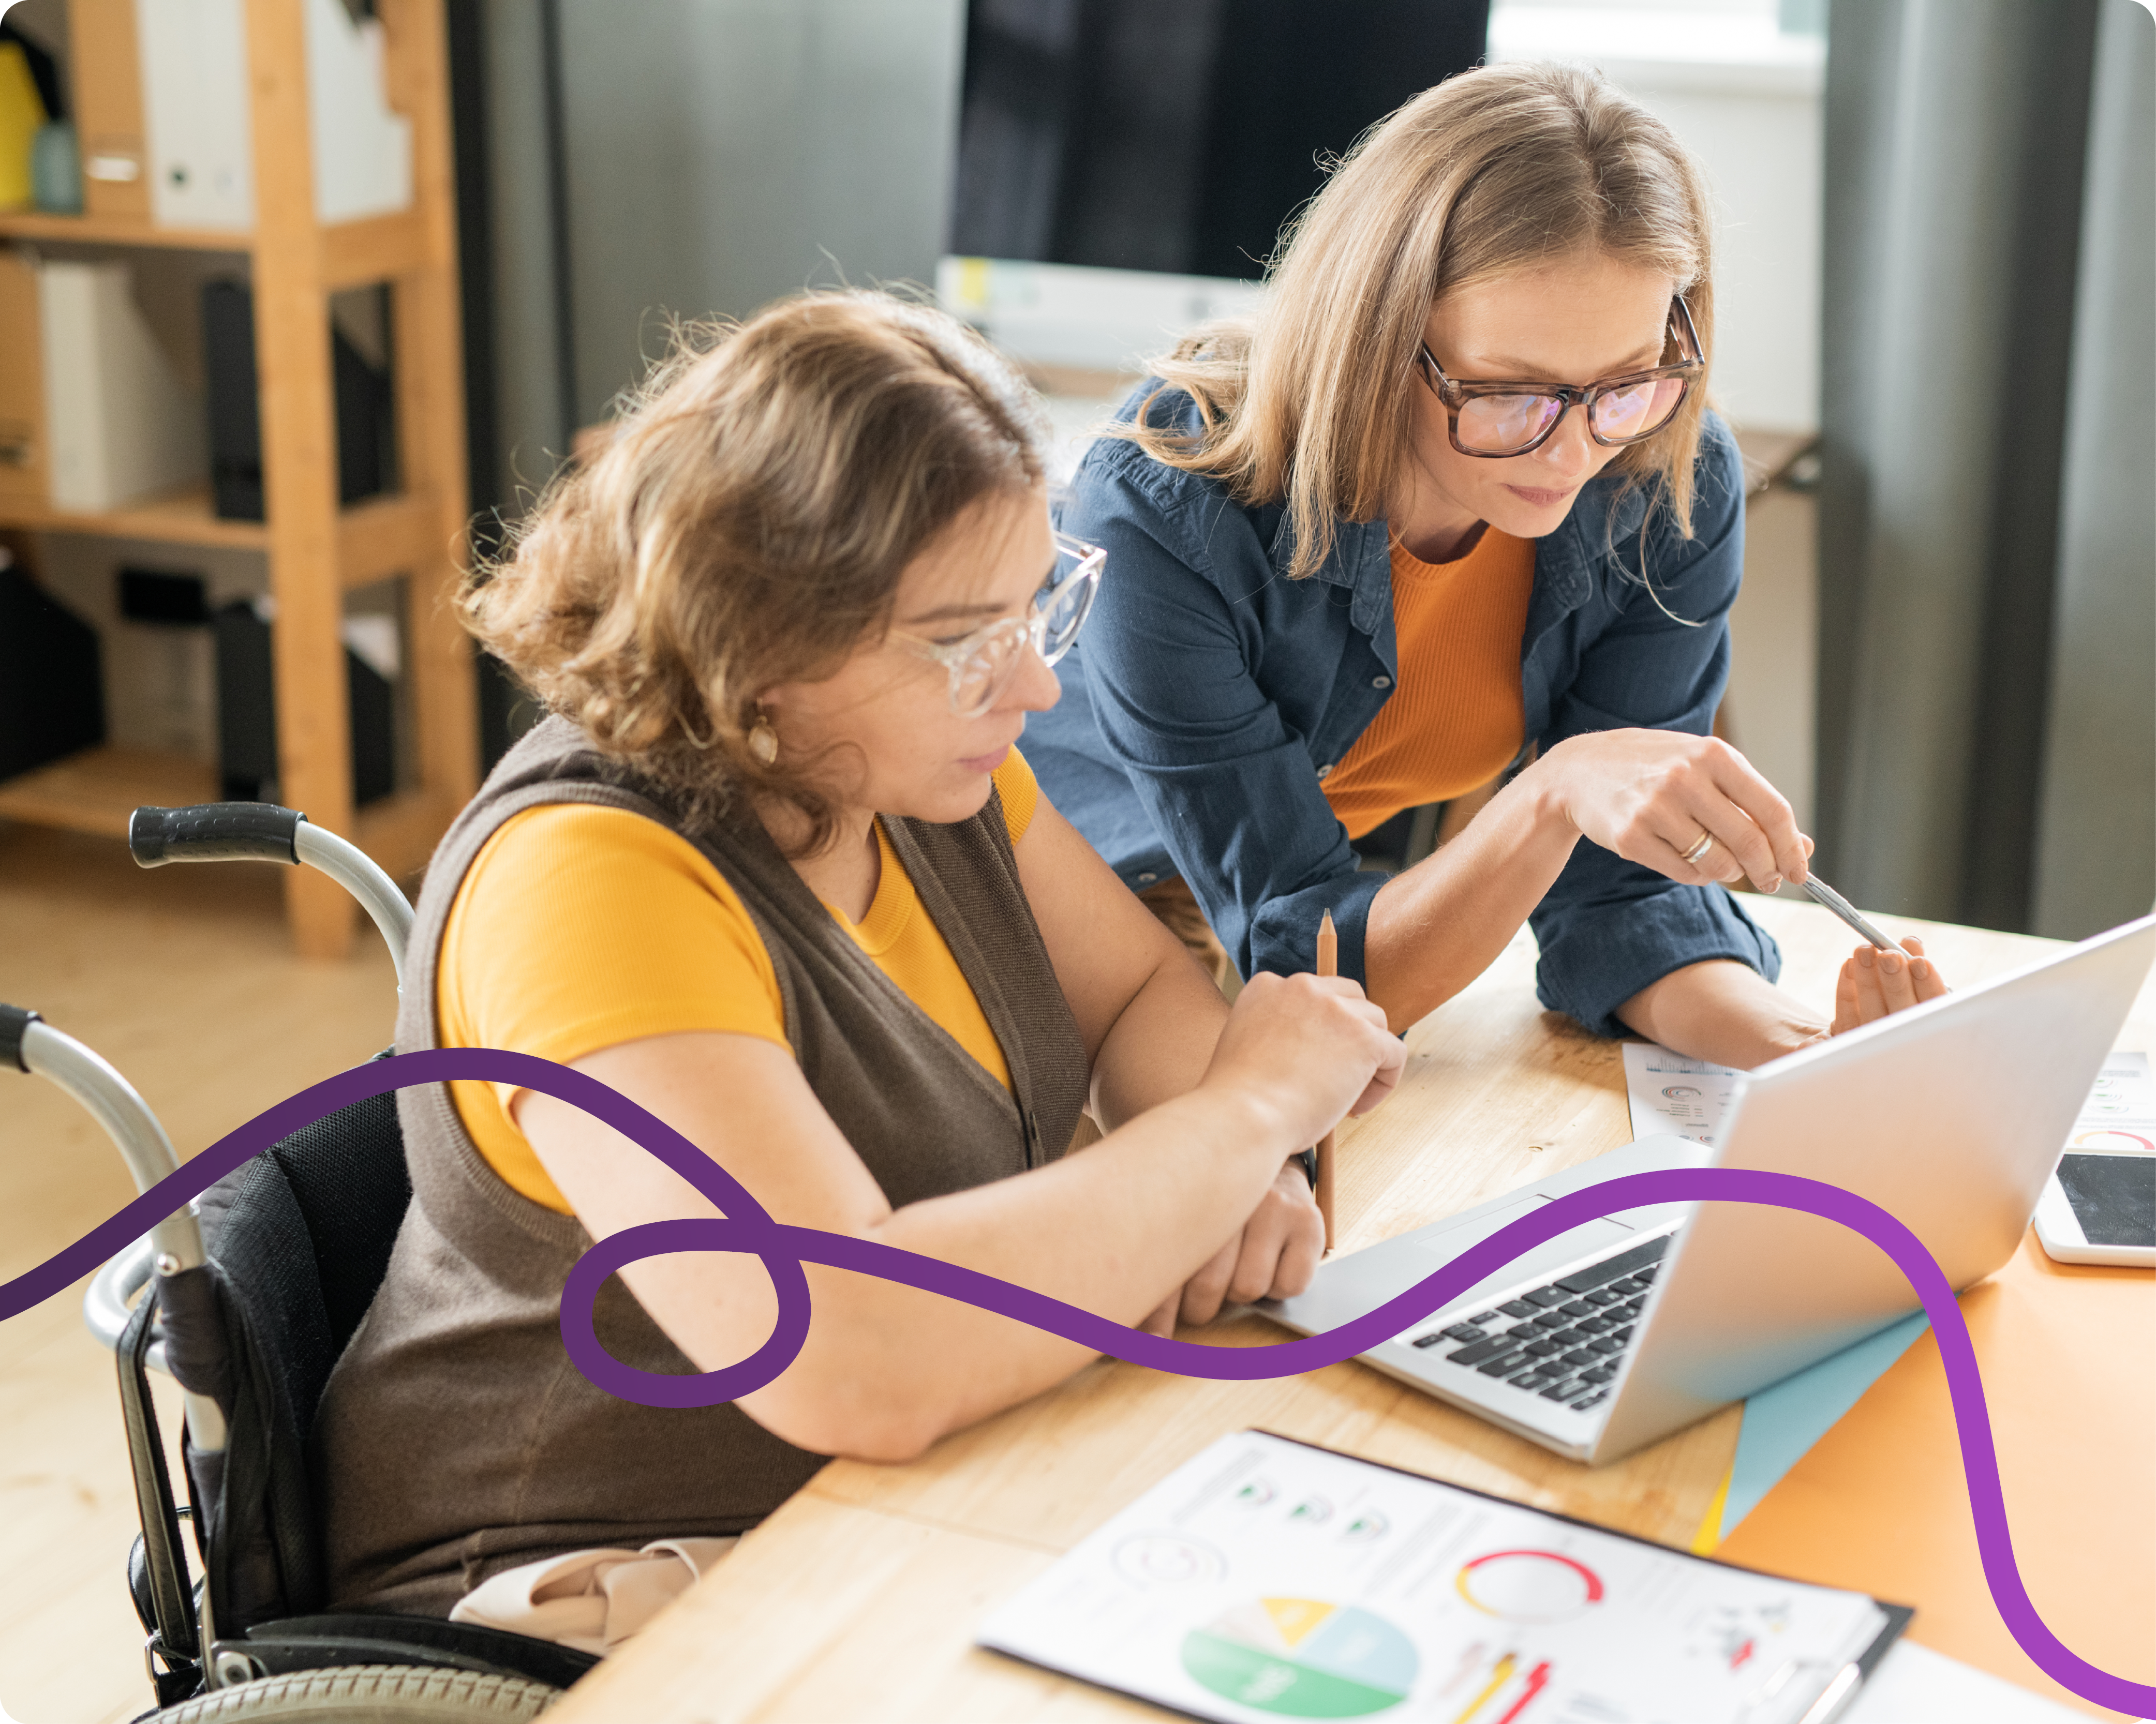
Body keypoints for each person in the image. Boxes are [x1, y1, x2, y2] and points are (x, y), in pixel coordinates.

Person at [313, 292, 1403, 1641]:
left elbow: (1130, 995)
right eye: (962, 642)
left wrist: (1218, 1174)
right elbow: (846, 1350)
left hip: (883, 1495)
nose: (1033, 694)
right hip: (586, 1584)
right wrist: (1245, 1116)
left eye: (1034, 609)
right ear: (758, 635)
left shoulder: (905, 773)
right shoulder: (585, 879)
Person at [1027, 62, 1946, 1070]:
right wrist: (1555, 792)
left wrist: (1810, 1054)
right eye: (1511, 394)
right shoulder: (1174, 497)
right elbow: (1309, 956)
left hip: (1290, 948)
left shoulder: (1660, 476)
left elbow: (1623, 896)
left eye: (1628, 381)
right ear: (1377, 336)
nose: (1572, 455)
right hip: (1066, 911)